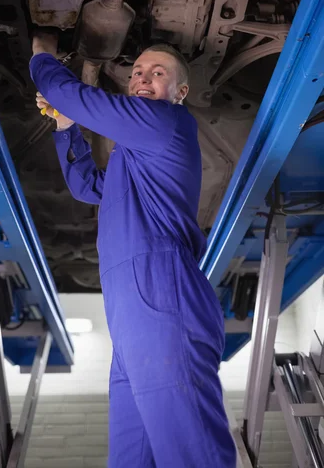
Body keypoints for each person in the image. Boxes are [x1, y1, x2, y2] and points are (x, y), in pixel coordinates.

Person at [30, 32, 237, 468]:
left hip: (163, 297)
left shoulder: (167, 123)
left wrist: (42, 56)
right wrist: (66, 126)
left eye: (157, 73)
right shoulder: (135, 159)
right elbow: (87, 186)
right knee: (131, 457)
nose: (142, 79)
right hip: (131, 313)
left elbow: (65, 90)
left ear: (180, 93)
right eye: (137, 72)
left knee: (190, 452)